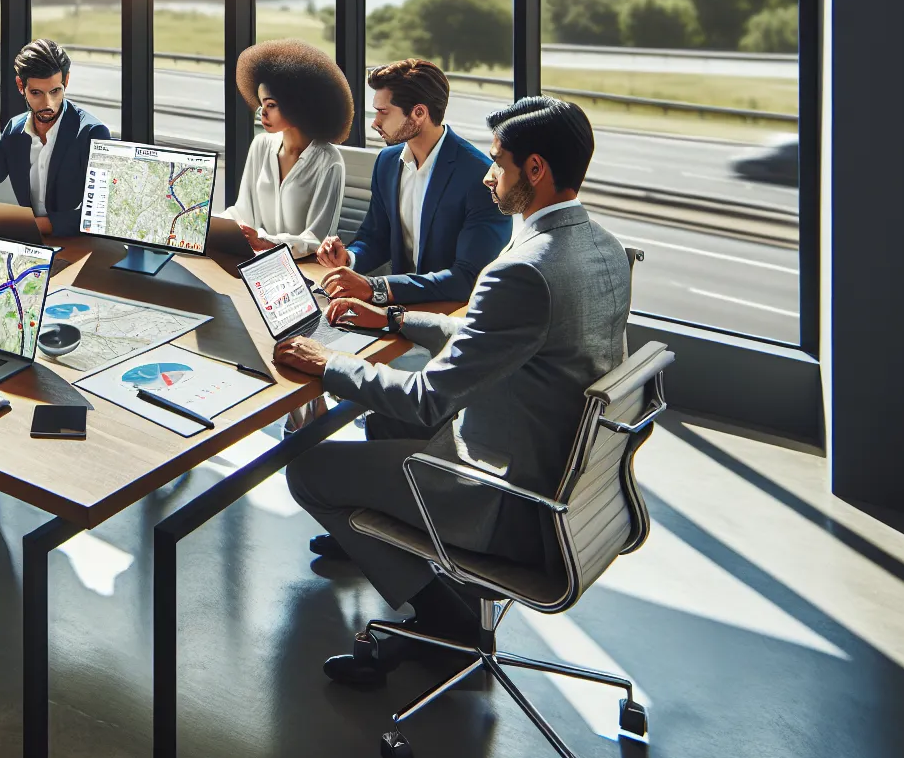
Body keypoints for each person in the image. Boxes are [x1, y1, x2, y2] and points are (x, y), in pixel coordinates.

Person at [272, 96, 630, 682]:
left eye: (498, 162)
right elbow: (488, 330)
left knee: (310, 472)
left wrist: (326, 361)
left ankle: (445, 625)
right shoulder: (601, 247)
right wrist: (390, 318)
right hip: (569, 480)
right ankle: (431, 586)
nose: (489, 174)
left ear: (533, 170)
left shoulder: (525, 268)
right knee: (389, 429)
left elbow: (426, 398)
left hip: (510, 501)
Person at [313, 58, 509, 303]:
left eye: (383, 112)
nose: (375, 122)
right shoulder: (387, 162)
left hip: (451, 315)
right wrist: (348, 258)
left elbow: (468, 278)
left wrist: (376, 287)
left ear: (419, 113)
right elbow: (375, 237)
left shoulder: (479, 176)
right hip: (396, 309)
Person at [0, 38, 110, 236]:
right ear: (21, 85)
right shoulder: (15, 131)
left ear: (66, 81)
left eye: (55, 91)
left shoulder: (92, 133)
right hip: (31, 243)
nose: (48, 104)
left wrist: (30, 225)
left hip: (79, 244)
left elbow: (99, 214)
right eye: (36, 93)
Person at [222, 39, 352, 257]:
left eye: (271, 105)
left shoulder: (329, 161)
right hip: (256, 260)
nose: (262, 113)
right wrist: (207, 224)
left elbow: (317, 239)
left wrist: (266, 242)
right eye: (261, 104)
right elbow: (242, 212)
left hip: (303, 270)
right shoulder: (260, 145)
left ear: (296, 105)